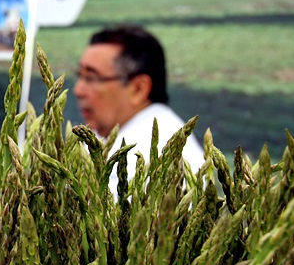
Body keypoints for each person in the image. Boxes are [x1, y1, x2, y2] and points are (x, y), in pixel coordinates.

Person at [73, 25, 204, 183]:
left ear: (138, 88)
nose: (78, 90)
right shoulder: (115, 139)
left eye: (92, 78)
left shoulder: (149, 155)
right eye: (80, 76)